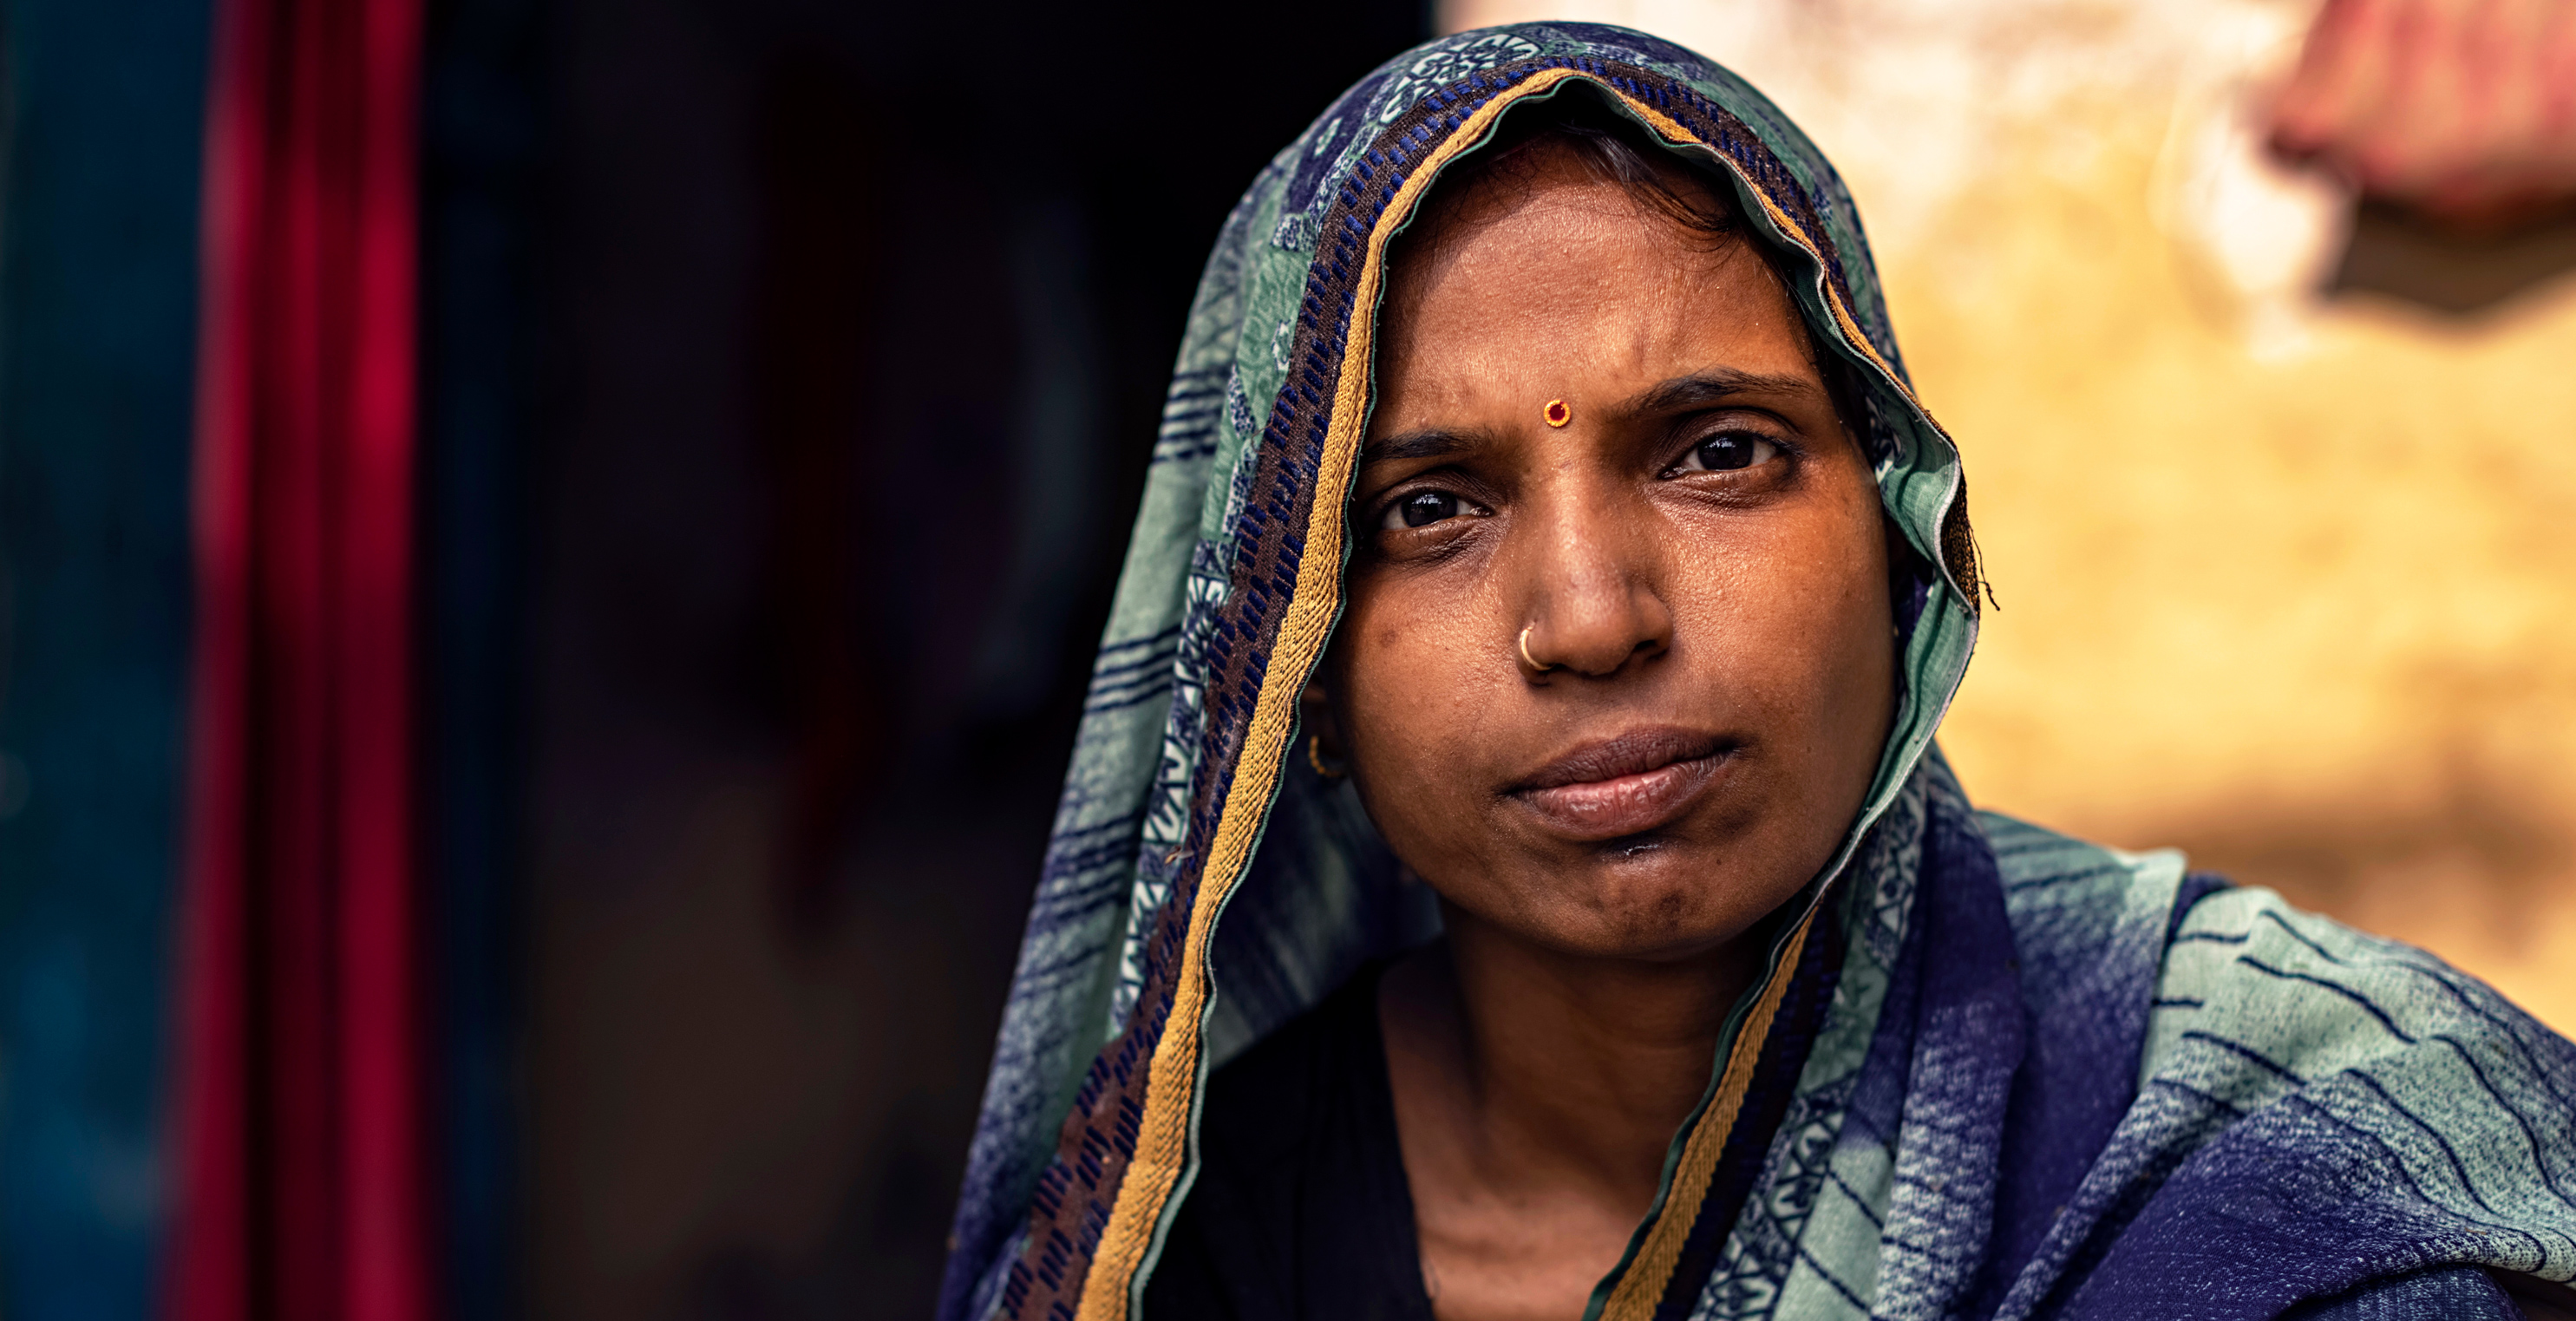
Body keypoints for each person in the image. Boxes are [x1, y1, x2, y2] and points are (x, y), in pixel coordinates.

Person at [938, 24, 2576, 1321]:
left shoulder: (2300, 1190)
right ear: (1285, 674)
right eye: (1426, 509)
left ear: (1900, 544)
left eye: (1718, 453)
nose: (1588, 615)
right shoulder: (1189, 1237)